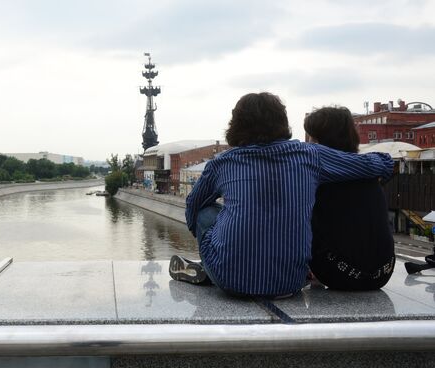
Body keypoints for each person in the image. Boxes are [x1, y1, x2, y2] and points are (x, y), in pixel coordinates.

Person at [169, 92, 394, 298]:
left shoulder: (222, 163)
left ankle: (212, 266)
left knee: (206, 212)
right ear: (282, 122)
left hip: (230, 281)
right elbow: (381, 163)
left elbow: (193, 209)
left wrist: (215, 235)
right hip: (290, 283)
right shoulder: (309, 155)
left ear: (236, 124)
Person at [304, 107, 395, 290]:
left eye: (312, 137)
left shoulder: (318, 172)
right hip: (383, 272)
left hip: (336, 273)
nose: (309, 143)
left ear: (322, 139)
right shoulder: (369, 172)